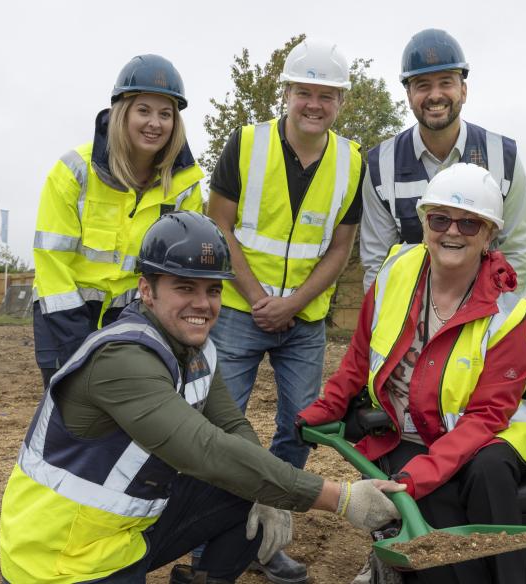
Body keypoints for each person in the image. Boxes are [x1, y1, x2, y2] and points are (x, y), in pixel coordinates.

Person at [0, 211, 403, 584]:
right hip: (61, 558)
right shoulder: (122, 358)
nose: (203, 304)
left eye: (213, 290)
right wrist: (341, 497)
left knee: (246, 485)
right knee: (237, 472)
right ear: (147, 290)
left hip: (122, 536)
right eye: (184, 287)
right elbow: (205, 450)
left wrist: (269, 492)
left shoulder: (193, 348)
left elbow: (231, 426)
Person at [298, 164, 526, 584]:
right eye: (440, 218)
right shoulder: (397, 271)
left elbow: (488, 415)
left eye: (470, 222)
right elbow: (360, 353)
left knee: (484, 477)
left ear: (489, 235)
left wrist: (420, 475)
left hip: (486, 434)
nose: (453, 231)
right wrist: (326, 407)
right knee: (433, 529)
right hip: (410, 430)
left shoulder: (508, 312)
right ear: (424, 222)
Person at [206, 38, 364, 584]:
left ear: (341, 101)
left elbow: (340, 247)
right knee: (219, 427)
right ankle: (213, 541)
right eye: (304, 92)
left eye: (327, 95)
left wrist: (293, 303)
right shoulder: (246, 144)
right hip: (236, 312)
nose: (314, 104)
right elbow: (219, 225)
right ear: (287, 93)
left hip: (304, 322)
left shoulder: (351, 161)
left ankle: (265, 530)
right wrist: (257, 299)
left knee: (299, 428)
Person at [31, 54, 204, 387]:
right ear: (122, 112)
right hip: (64, 317)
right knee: (76, 424)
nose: (155, 123)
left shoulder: (184, 186)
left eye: (165, 114)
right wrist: (80, 345)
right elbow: (51, 262)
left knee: (130, 422)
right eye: (144, 110)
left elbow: (179, 270)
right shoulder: (74, 171)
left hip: (137, 322)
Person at [360, 29, 526, 298]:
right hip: (408, 324)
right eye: (422, 85)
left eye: (446, 82)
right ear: (408, 95)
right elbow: (378, 264)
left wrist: (500, 323)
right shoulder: (380, 165)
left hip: (484, 321)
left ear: (463, 90)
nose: (435, 95)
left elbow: (518, 251)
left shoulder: (503, 156)